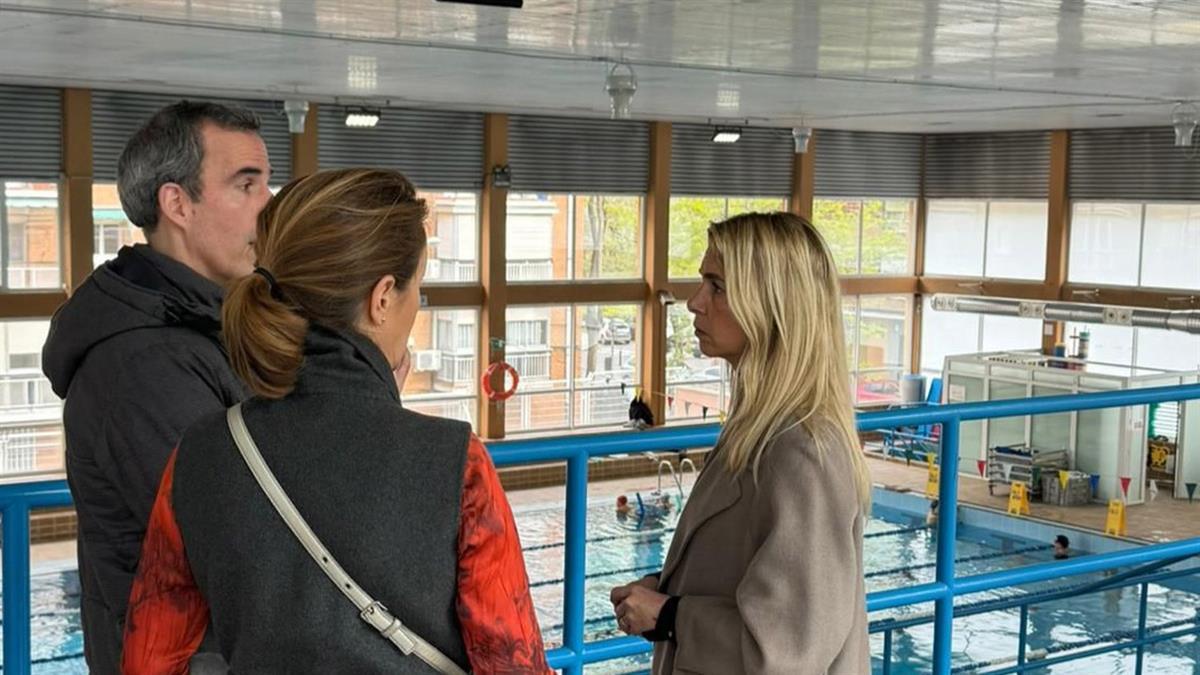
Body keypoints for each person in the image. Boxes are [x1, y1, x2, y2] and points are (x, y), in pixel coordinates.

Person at [122, 168, 551, 674]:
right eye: (418, 290)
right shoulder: (456, 463)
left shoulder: (200, 452)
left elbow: (148, 661)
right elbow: (513, 665)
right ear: (383, 297)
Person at [41, 100, 271, 674]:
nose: (267, 205)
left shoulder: (206, 327)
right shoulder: (145, 365)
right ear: (177, 204)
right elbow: (238, 543)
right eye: (246, 185)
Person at [609, 212, 872, 673]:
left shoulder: (803, 453)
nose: (695, 302)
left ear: (773, 305)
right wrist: (667, 590)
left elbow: (787, 652)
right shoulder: (756, 431)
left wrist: (670, 616)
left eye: (717, 287)